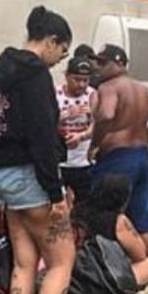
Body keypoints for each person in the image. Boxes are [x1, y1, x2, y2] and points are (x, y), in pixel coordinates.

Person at [0, 5, 75, 294]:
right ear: (51, 41)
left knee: (24, 263)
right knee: (61, 261)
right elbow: (41, 135)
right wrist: (55, 193)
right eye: (60, 52)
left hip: (4, 175)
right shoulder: (34, 76)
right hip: (30, 176)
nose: (57, 61)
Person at [91, 44, 148, 254]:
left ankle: (108, 268)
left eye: (102, 62)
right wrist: (143, 139)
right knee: (143, 223)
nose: (97, 67)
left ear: (119, 63)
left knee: (105, 219)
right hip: (141, 157)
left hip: (116, 159)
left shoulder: (108, 87)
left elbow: (107, 115)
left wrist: (95, 144)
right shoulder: (142, 90)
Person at [72, 174, 148, 286]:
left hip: (74, 274)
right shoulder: (118, 221)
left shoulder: (75, 212)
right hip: (105, 278)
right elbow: (140, 254)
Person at [57, 57, 96, 205]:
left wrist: (82, 136)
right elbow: (45, 126)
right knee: (59, 205)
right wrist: (66, 115)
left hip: (83, 160)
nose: (81, 84)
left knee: (84, 203)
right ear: (67, 76)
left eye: (85, 80)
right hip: (61, 160)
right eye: (77, 79)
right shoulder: (56, 94)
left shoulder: (92, 95)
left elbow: (97, 125)